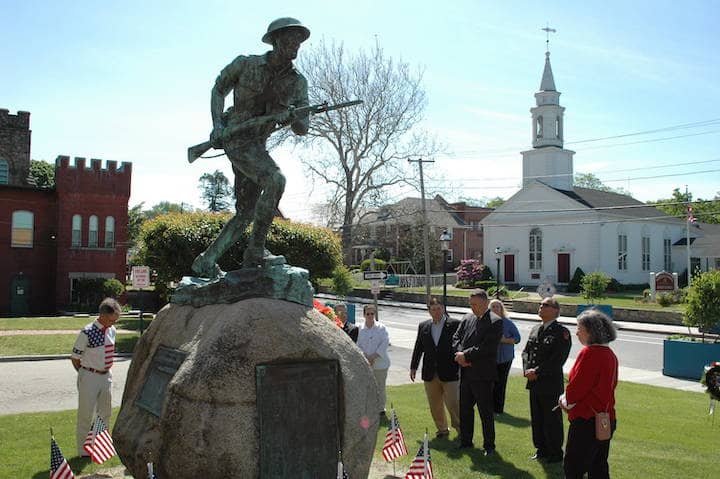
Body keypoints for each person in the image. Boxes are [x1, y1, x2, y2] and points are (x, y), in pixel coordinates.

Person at [191, 17, 311, 276]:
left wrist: (292, 117)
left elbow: (303, 128)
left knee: (246, 213)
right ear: (276, 40)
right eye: (291, 40)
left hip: (257, 145)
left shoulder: (297, 82)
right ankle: (256, 251)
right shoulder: (246, 64)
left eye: (299, 42)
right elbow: (218, 89)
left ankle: (206, 260)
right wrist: (217, 126)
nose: (295, 46)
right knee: (275, 180)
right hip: (236, 139)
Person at [559, 309, 618, 479]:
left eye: (580, 328)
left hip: (587, 420)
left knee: (573, 467)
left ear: (591, 332)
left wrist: (565, 401)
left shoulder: (590, 353)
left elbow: (578, 387)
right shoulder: (609, 354)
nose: (576, 332)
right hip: (605, 417)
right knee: (598, 467)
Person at [452, 289, 503, 454]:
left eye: (475, 304)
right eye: (471, 304)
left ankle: (489, 445)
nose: (472, 308)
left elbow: (486, 347)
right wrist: (460, 354)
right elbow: (456, 337)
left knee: (485, 412)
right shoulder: (468, 318)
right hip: (466, 374)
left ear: (485, 303)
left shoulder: (495, 321)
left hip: (482, 375)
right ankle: (466, 441)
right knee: (465, 409)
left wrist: (465, 355)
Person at [522, 296, 572, 463]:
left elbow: (558, 359)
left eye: (546, 305)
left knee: (552, 419)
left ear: (556, 311)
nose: (541, 307)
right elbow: (526, 352)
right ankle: (541, 449)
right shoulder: (536, 329)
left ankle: (555, 452)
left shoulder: (561, 332)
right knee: (537, 418)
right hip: (534, 382)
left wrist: (537, 371)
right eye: (541, 304)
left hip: (550, 383)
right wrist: (526, 370)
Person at [70, 298, 121, 456]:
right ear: (103, 316)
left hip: (106, 376)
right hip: (89, 375)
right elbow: (75, 357)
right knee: (86, 413)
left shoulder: (112, 330)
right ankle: (83, 450)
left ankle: (100, 446)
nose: (114, 323)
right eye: (112, 319)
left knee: (105, 412)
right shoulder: (87, 331)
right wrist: (84, 374)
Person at [410, 297, 461, 438]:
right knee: (435, 404)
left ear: (443, 309)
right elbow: (418, 347)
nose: (437, 312)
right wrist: (413, 367)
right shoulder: (424, 326)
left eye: (439, 308)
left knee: (453, 403)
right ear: (429, 311)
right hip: (430, 372)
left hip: (450, 371)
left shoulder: (455, 324)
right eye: (433, 309)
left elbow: (461, 345)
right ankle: (442, 429)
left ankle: (461, 429)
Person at [356, 304, 390, 417]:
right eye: (368, 314)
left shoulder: (382, 328)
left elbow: (384, 344)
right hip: (364, 364)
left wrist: (373, 357)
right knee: (366, 387)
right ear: (364, 315)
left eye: (372, 313)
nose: (370, 316)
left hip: (380, 364)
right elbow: (357, 345)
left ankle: (381, 409)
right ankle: (368, 408)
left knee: (380, 387)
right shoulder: (359, 328)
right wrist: (366, 357)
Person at [489, 299, 521, 414]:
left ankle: (498, 409)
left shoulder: (508, 323)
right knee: (489, 383)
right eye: (493, 307)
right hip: (490, 358)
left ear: (501, 309)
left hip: (505, 358)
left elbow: (517, 338)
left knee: (500, 384)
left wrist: (504, 340)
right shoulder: (487, 322)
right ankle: (489, 407)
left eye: (497, 307)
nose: (495, 309)